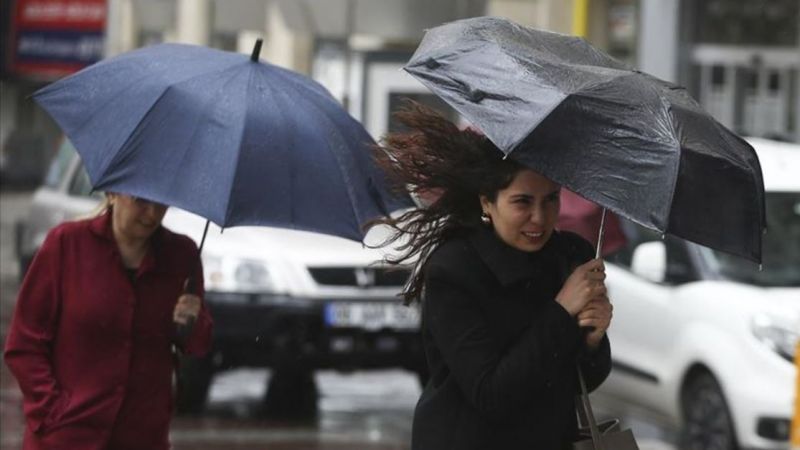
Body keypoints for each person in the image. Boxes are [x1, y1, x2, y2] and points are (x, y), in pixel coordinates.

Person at [371, 102, 613, 449]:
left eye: (551, 200)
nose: (539, 218)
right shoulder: (454, 269)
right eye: (522, 202)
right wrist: (562, 309)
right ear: (487, 202)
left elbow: (577, 382)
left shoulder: (570, 257)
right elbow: (492, 394)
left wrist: (593, 341)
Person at [4, 193, 213, 450]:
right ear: (112, 194)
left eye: (161, 203)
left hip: (142, 436)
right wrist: (52, 411)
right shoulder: (66, 244)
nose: (151, 214)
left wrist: (193, 321)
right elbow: (24, 344)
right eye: (140, 201)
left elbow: (197, 344)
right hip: (65, 437)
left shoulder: (182, 256)